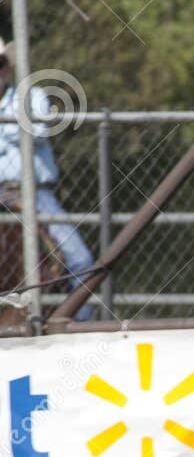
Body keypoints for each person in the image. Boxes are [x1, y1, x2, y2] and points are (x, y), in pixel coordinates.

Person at [0, 40, 95, 318]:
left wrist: (6, 130)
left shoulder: (32, 96)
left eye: (0, 65)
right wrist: (14, 127)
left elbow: (38, 132)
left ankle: (77, 325)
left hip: (31, 192)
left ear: (8, 68)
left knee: (81, 261)